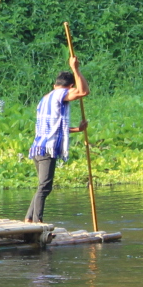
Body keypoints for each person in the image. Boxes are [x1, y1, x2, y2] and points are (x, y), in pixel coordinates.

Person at [25, 56, 89, 222]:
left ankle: (29, 218)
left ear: (54, 85)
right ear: (69, 87)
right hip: (47, 148)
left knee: (42, 186)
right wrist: (76, 69)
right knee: (45, 187)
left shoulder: (46, 98)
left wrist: (78, 129)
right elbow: (84, 92)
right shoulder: (61, 94)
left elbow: (56, 126)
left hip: (39, 147)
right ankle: (37, 221)